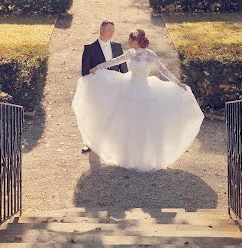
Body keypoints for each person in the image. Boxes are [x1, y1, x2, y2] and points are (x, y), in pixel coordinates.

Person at [72, 28, 204, 171]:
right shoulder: (130, 53)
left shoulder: (150, 54)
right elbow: (114, 61)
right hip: (129, 90)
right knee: (128, 124)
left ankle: (145, 157)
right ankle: (128, 156)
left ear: (136, 41)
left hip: (145, 92)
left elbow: (163, 70)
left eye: (130, 40)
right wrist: (96, 68)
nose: (128, 42)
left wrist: (178, 83)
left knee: (145, 124)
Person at [80, 20, 128, 153]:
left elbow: (123, 68)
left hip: (115, 87)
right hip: (97, 88)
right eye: (108, 30)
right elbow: (85, 72)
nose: (111, 33)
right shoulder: (89, 48)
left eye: (113, 31)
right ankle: (90, 143)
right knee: (95, 115)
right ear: (101, 29)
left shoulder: (117, 47)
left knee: (115, 114)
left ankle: (115, 143)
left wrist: (127, 84)